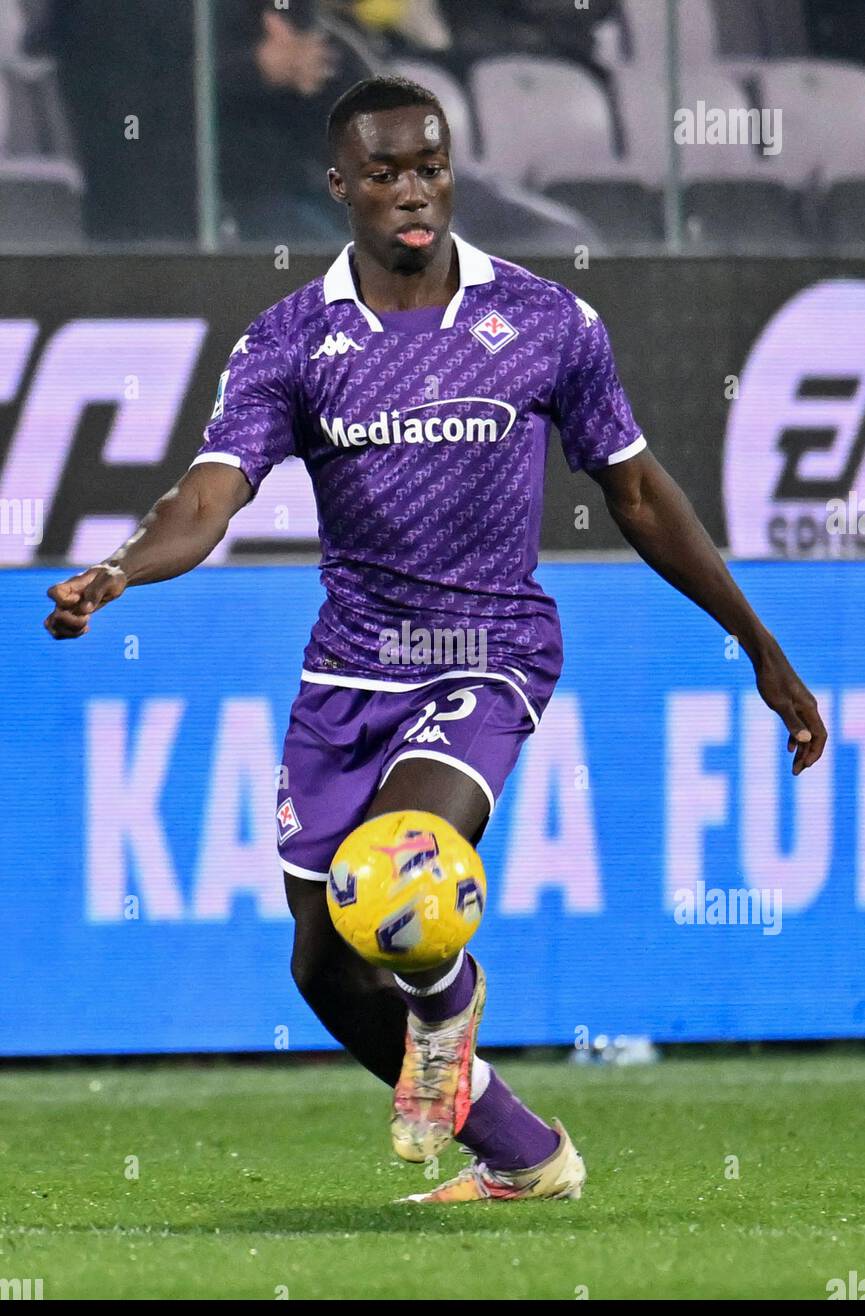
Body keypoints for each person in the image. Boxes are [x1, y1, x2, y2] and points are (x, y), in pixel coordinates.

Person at [44, 76, 827, 1203]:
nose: (413, 191)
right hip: (347, 671)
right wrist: (120, 568)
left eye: (430, 165)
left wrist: (759, 643)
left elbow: (641, 492)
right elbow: (206, 499)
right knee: (322, 960)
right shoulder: (291, 340)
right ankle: (522, 1152)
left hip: (489, 651)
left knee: (401, 860)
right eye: (385, 174)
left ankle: (448, 1000)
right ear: (339, 188)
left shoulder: (547, 321)